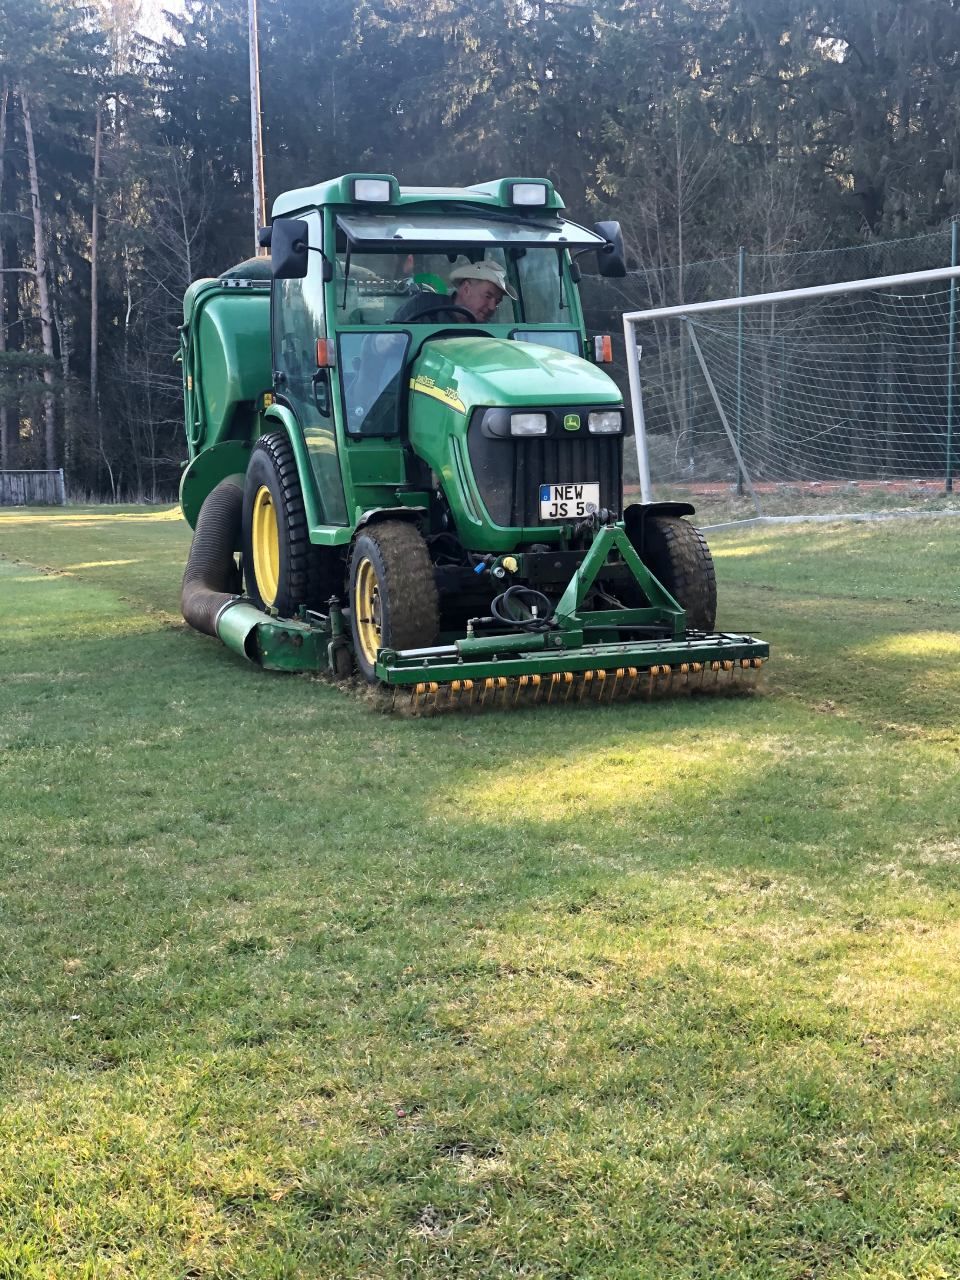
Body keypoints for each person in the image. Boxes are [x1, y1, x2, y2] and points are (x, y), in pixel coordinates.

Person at [392, 260, 518, 324]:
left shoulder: (495, 330)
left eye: (497, 301)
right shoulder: (420, 306)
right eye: (488, 296)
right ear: (466, 289)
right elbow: (391, 345)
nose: (492, 307)